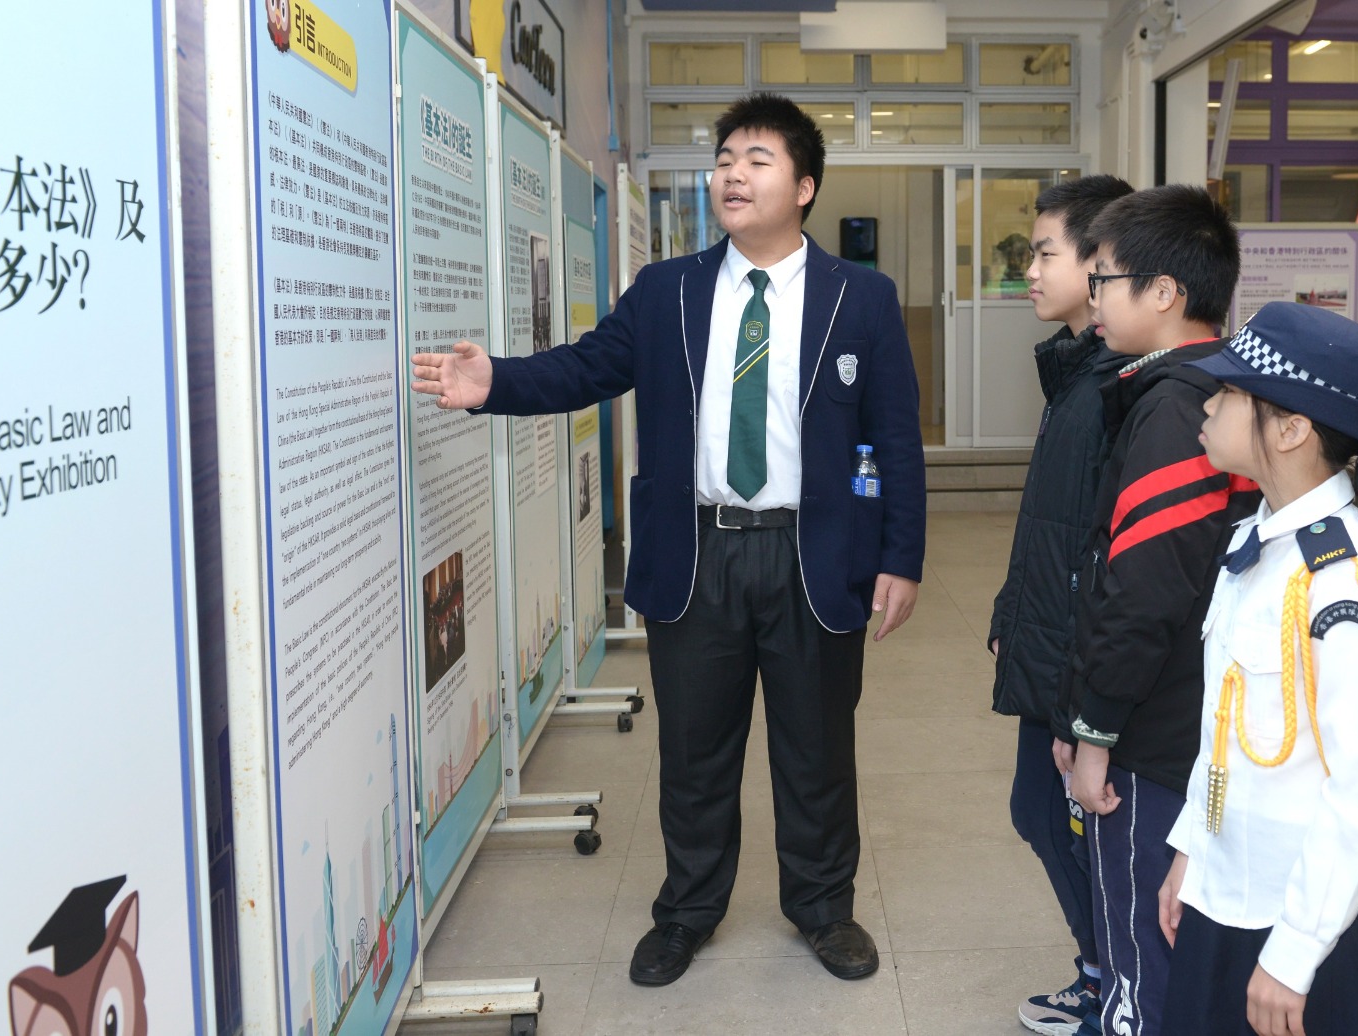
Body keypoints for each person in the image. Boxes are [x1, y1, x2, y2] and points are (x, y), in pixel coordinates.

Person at [409, 93, 925, 987]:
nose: (733, 174)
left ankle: (822, 908)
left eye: (757, 160)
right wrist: (496, 382)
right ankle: (687, 911)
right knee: (693, 751)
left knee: (816, 750)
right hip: (697, 555)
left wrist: (900, 558)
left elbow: (896, 435)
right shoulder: (667, 291)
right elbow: (586, 366)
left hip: (814, 556)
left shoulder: (862, 298)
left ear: (804, 186)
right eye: (724, 159)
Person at [1157, 302, 1358, 1036]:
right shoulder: (1260, 543)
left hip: (1306, 928)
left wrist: (1295, 954)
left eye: (1229, 393)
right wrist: (1192, 851)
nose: (1209, 406)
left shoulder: (1341, 584)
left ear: (1291, 429)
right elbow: (1225, 733)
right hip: (1227, 897)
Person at [1056, 184, 1259, 1035]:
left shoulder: (1179, 408)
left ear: (1165, 292)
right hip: (1199, 722)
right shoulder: (1216, 387)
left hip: (1157, 733)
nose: (1093, 295)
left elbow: (1142, 594)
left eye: (1104, 277)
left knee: (1144, 954)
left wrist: (1094, 730)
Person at [985, 174, 1133, 1036]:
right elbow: (1053, 524)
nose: (1030, 272)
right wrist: (1010, 613)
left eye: (1046, 254)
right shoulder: (1078, 376)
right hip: (1048, 643)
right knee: (1041, 813)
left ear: (1100, 261)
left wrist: (1085, 701)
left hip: (1080, 664)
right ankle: (1103, 972)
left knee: (1064, 819)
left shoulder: (1118, 389)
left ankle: (1116, 982)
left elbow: (1110, 559)